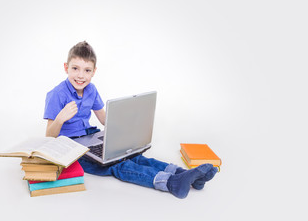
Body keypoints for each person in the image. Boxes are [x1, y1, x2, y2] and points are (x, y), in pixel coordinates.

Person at [44, 41, 218, 198]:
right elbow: (49, 137)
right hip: (72, 148)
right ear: (66, 67)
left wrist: (125, 127)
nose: (81, 75)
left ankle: (187, 176)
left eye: (87, 70)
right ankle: (171, 183)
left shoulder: (91, 89)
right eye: (75, 68)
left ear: (94, 72)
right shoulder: (56, 95)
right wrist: (60, 119)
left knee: (132, 156)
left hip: (91, 137)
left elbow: (104, 119)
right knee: (116, 166)